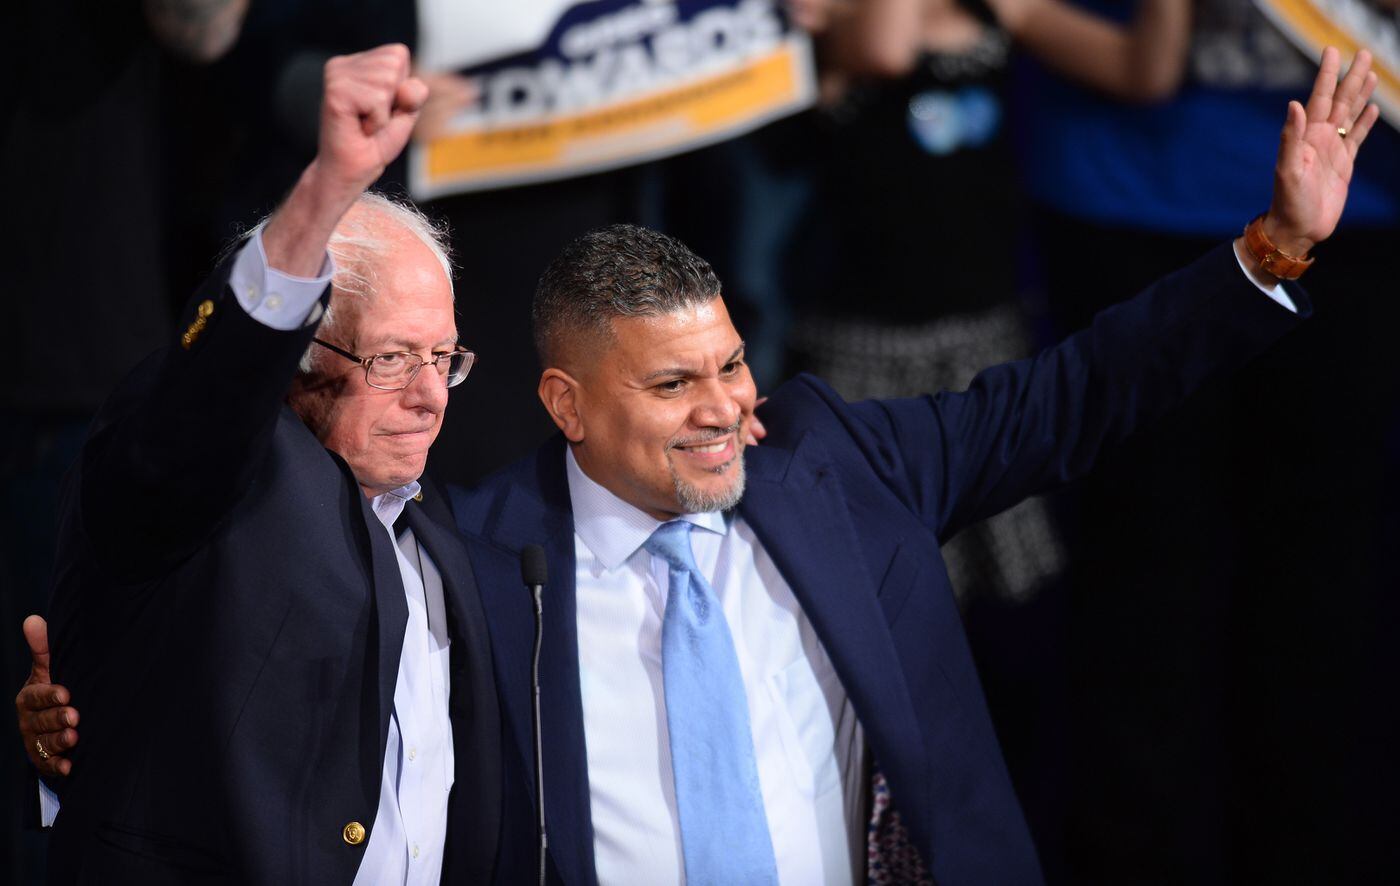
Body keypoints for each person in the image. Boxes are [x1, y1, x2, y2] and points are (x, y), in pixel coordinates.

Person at [22, 48, 1380, 886]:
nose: (731, 407)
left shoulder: (839, 465)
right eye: (677, 384)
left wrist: (1269, 249)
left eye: (731, 363)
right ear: (565, 401)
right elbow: (254, 648)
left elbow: (1078, 394)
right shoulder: (474, 555)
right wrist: (84, 723)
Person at [19, 44, 501, 885]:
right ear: (300, 355)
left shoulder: (446, 544)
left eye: (445, 357)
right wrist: (326, 190)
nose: (432, 396)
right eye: (392, 358)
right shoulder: (214, 488)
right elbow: (203, 398)